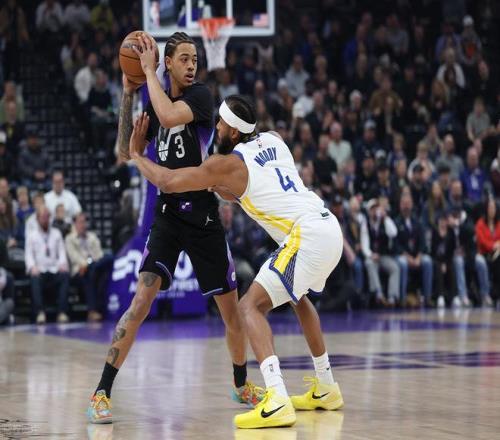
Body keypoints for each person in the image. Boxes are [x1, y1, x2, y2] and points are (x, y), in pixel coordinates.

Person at [128, 94, 345, 429]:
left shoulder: (227, 164)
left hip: (307, 235)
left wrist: (136, 156)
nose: (216, 127)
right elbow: (244, 188)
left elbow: (167, 182)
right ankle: (327, 387)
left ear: (232, 130)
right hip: (328, 226)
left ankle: (277, 398)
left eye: (220, 123)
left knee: (249, 307)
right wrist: (216, 184)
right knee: (298, 298)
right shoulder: (275, 139)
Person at [87, 33, 262, 424]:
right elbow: (124, 151)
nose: (191, 65)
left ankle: (241, 384)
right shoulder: (154, 99)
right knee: (140, 303)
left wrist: (148, 72)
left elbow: (168, 116)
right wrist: (127, 93)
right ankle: (102, 392)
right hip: (167, 216)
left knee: (231, 315)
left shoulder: (200, 97)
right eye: (183, 58)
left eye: (194, 58)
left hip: (203, 216)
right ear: (168, 62)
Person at [25, 206, 70, 324]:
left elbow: (62, 252)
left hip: (54, 269)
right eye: (43, 217)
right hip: (40, 270)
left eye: (47, 217)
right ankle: (40, 313)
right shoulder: (32, 235)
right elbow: (28, 255)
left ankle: (62, 312)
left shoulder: (56, 233)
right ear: (38, 219)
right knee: (34, 277)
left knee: (65, 275)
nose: (45, 220)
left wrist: (62, 264)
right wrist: (32, 267)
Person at [66, 212, 113, 321]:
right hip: (79, 270)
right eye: (80, 222)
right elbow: (73, 257)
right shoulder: (70, 239)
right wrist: (85, 264)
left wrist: (90, 264)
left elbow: (99, 255)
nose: (83, 224)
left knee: (107, 264)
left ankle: (103, 308)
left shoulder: (92, 237)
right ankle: (92, 311)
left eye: (84, 222)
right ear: (75, 224)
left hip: (94, 266)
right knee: (88, 275)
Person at [395, 194, 433, 307]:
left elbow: (423, 243)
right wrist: (408, 258)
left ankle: (427, 298)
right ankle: (402, 299)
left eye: (408, 204)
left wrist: (418, 257)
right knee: (403, 264)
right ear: (400, 205)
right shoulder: (396, 222)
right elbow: (396, 245)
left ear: (412, 205)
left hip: (416, 256)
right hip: (402, 256)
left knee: (427, 261)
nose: (406, 206)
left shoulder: (417, 222)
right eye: (404, 204)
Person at [361, 198, 400, 306]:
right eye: (372, 209)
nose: (374, 211)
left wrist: (385, 217)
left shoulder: (384, 221)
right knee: (369, 263)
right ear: (369, 211)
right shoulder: (365, 223)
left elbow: (393, 232)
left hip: (383, 255)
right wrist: (371, 255)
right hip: (372, 256)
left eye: (376, 208)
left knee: (394, 268)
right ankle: (378, 293)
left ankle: (392, 297)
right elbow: (364, 245)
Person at [475, 198, 500, 305]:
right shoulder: (480, 223)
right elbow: (482, 241)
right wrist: (493, 245)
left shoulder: (498, 223)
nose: (492, 210)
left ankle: (497, 294)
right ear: (486, 209)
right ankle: (486, 294)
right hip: (483, 253)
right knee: (480, 262)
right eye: (490, 208)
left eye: (493, 208)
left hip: (497, 254)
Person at [432, 213, 456, 308]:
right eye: (441, 221)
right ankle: (440, 296)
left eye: (444, 221)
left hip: (448, 259)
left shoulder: (451, 232)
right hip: (437, 259)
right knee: (438, 268)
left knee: (452, 267)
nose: (442, 223)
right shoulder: (435, 232)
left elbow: (452, 250)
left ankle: (454, 296)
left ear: (447, 222)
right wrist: (442, 263)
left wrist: (445, 263)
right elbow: (433, 250)